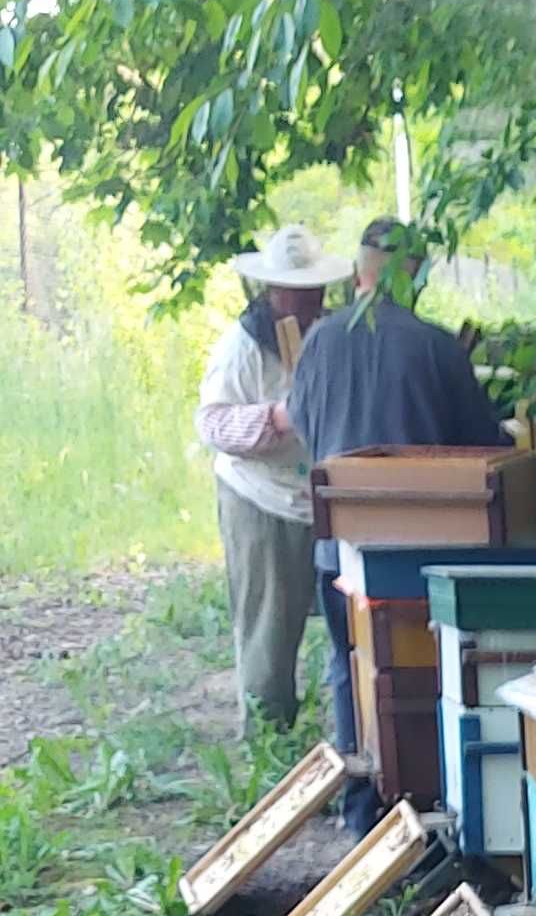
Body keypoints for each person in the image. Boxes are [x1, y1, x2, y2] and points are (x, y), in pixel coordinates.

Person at [286, 218, 513, 790]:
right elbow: (484, 449)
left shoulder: (318, 342)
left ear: (358, 274)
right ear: (413, 275)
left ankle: (362, 808)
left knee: (350, 669)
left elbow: (306, 430)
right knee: (433, 677)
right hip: (423, 552)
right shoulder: (435, 347)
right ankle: (435, 792)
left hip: (340, 548)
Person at [194, 222, 339, 733]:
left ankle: (338, 722)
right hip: (259, 497)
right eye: (297, 291)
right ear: (273, 290)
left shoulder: (328, 333)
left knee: (346, 617)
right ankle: (266, 735)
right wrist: (276, 418)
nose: (307, 299)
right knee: (268, 627)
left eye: (313, 290)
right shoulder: (242, 346)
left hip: (319, 495)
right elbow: (211, 422)